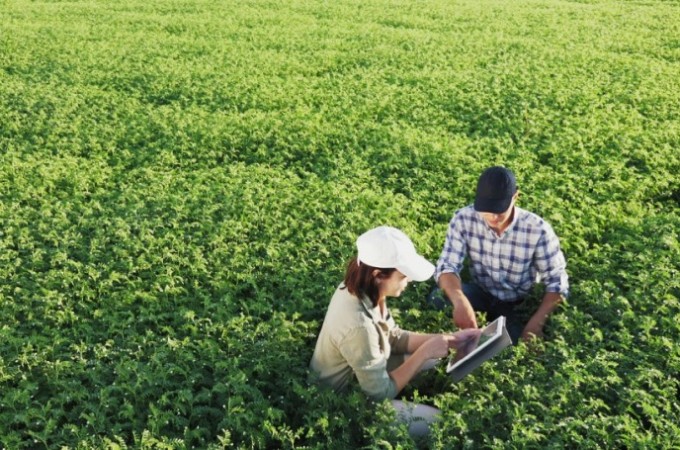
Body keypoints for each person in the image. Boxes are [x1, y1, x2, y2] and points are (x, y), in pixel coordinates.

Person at [309, 226, 481, 437]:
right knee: (439, 423)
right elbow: (379, 395)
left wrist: (449, 339)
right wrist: (424, 352)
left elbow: (393, 336)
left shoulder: (363, 288)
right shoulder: (358, 327)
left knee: (433, 358)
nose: (408, 281)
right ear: (378, 275)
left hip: (362, 373)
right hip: (343, 405)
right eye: (404, 276)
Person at [432, 166, 569, 343]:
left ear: (515, 197)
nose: (493, 217)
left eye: (499, 210)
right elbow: (447, 265)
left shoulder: (537, 229)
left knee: (515, 343)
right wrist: (459, 301)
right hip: (480, 292)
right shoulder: (463, 219)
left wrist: (536, 324)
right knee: (438, 298)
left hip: (515, 302)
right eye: (487, 210)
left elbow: (557, 281)